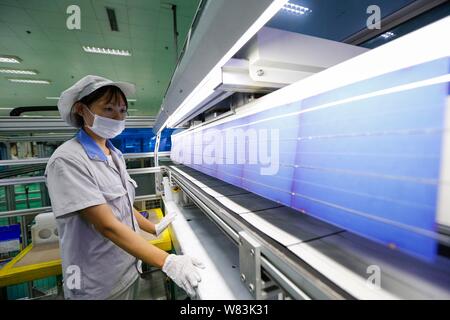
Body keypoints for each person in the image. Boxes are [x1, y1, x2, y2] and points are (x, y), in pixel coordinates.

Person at [44, 75, 204, 300]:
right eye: (108, 109)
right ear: (81, 109)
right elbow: (106, 225)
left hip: (127, 267)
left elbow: (121, 204)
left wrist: (152, 228)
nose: (118, 117)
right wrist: (167, 261)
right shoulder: (68, 160)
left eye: (122, 111)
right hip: (95, 282)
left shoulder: (114, 154)